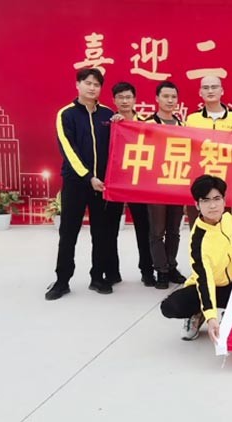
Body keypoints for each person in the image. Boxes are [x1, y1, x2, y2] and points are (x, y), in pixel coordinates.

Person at [45, 68, 120, 300]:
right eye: (88, 83)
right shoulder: (66, 114)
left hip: (102, 184)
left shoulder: (108, 114)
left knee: (101, 233)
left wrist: (122, 122)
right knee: (69, 232)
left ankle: (97, 277)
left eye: (96, 85)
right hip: (76, 183)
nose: (92, 88)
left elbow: (119, 145)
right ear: (78, 84)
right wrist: (88, 177)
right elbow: (68, 150)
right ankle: (62, 280)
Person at [160, 175, 232, 343]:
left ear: (224, 201)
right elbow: (205, 280)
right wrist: (211, 317)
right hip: (206, 286)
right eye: (205, 200)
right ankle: (198, 313)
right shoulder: (198, 240)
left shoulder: (230, 219)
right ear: (197, 205)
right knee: (170, 306)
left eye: (217, 199)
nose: (212, 205)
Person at [110, 81, 157, 286]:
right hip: (115, 183)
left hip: (138, 183)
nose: (125, 101)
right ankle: (112, 272)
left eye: (128, 97)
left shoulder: (145, 124)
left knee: (143, 229)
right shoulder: (109, 123)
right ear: (114, 100)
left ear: (135, 100)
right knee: (110, 229)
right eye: (120, 97)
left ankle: (147, 271)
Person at [144, 81, 187, 289]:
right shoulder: (147, 124)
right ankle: (161, 270)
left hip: (177, 185)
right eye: (166, 96)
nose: (170, 100)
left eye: (173, 97)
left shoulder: (183, 127)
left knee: (174, 231)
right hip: (155, 186)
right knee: (157, 231)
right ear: (157, 99)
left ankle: (171, 266)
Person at [184, 76, 232, 227]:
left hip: (224, 182)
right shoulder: (191, 119)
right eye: (206, 87)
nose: (210, 91)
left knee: (224, 227)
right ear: (200, 92)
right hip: (198, 180)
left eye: (214, 87)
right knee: (197, 228)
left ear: (222, 91)